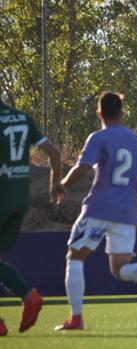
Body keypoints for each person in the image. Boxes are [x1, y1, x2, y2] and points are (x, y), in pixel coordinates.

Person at [55, 92, 137, 330]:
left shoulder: (98, 138)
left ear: (99, 113)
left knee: (75, 256)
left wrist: (62, 185)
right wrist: (126, 192)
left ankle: (76, 318)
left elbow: (82, 168)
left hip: (98, 208)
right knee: (119, 269)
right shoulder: (136, 140)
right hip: (125, 212)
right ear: (122, 113)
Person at [0, 99, 63, 335]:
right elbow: (54, 153)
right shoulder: (22, 118)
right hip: (18, 200)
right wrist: (55, 184)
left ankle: (29, 296)